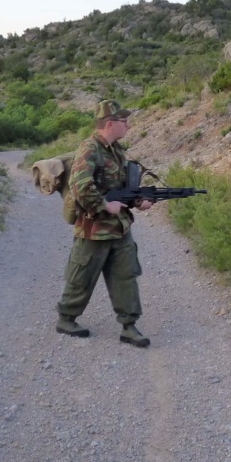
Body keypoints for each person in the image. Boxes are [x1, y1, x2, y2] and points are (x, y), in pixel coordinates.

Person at [56, 99, 152, 347]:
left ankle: (129, 326)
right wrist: (104, 206)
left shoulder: (117, 150)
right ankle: (66, 318)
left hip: (119, 228)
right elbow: (80, 186)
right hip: (94, 229)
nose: (128, 125)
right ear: (110, 123)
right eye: (124, 121)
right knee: (82, 275)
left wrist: (138, 200)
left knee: (126, 275)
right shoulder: (90, 149)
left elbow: (121, 188)